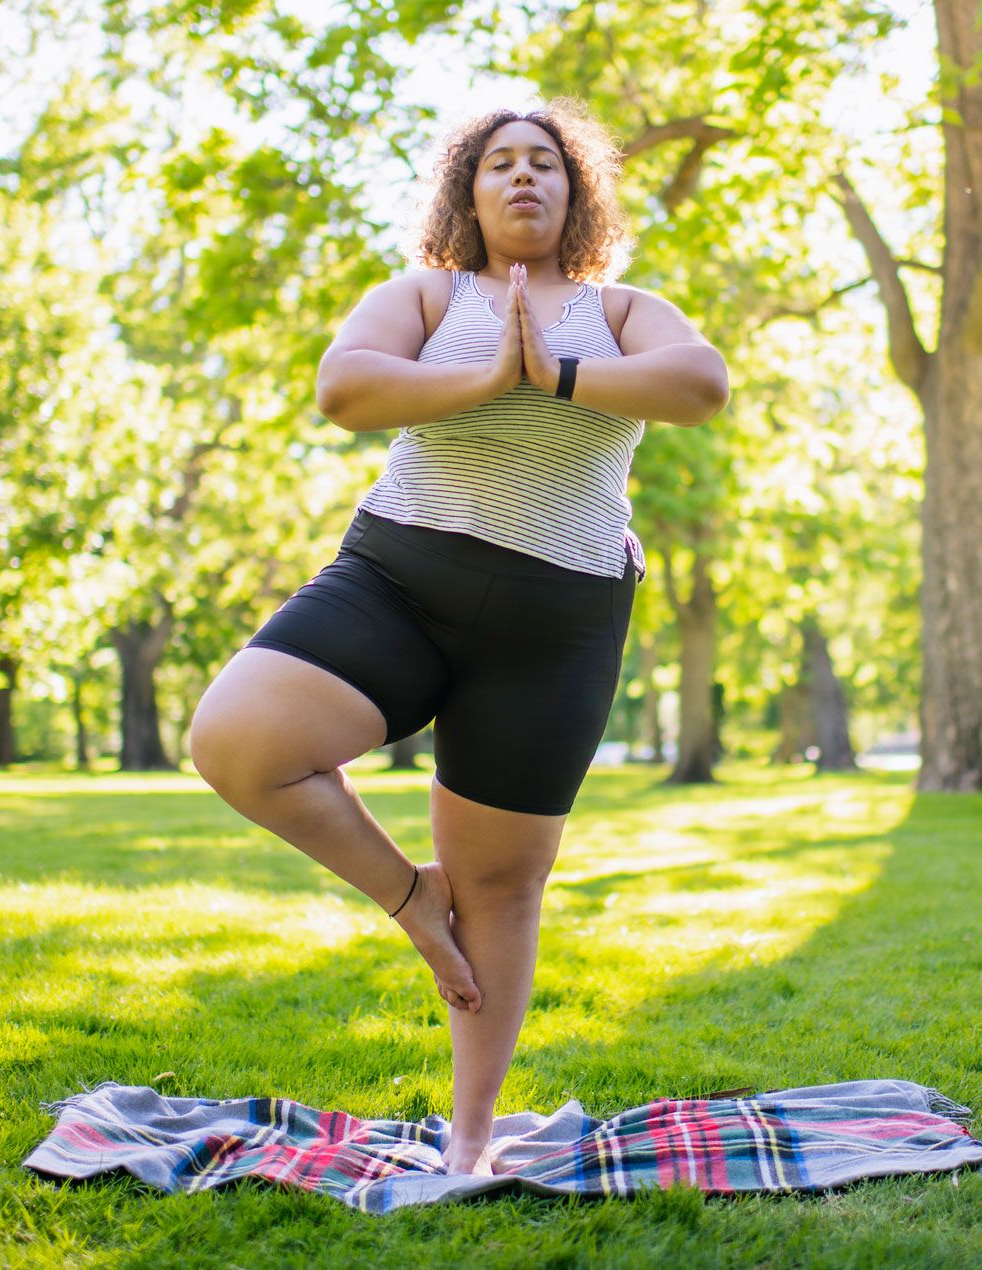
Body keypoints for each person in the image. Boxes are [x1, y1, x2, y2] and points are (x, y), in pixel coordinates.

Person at [186, 98, 730, 1176]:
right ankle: (407, 894)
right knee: (236, 739)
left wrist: (555, 374)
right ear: (467, 194)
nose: (524, 178)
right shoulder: (426, 294)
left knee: (506, 890)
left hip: (556, 622)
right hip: (400, 578)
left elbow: (702, 385)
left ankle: (470, 1143)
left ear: (577, 193)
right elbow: (345, 388)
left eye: (545, 164)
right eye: (500, 165)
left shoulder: (622, 311)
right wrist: (487, 375)